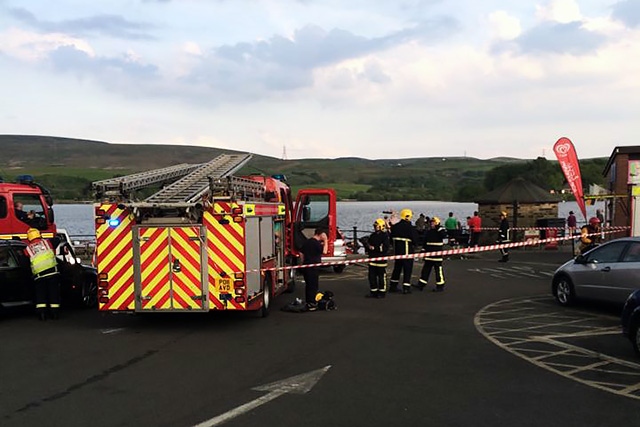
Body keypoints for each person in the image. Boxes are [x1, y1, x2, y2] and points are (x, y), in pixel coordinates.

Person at [25, 228, 61, 321]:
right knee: (53, 294)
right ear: (39, 235)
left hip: (39, 276)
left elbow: (25, 260)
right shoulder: (47, 243)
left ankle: (42, 315)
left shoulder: (28, 249)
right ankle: (55, 314)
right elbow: (57, 240)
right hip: (52, 273)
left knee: (41, 296)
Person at [414, 216, 448, 292]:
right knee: (425, 270)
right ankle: (421, 284)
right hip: (429, 254)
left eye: (434, 222)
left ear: (437, 223)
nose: (432, 224)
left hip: (437, 255)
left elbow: (444, 236)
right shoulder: (429, 232)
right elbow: (425, 242)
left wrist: (439, 228)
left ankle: (440, 286)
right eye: (431, 222)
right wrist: (423, 250)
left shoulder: (440, 230)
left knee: (438, 271)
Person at [389, 208, 419, 294]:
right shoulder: (410, 228)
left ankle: (393, 286)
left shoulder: (395, 227)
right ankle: (406, 287)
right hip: (407, 252)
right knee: (407, 269)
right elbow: (415, 240)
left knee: (397, 268)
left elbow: (391, 239)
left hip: (397, 252)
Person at [300, 228, 328, 311]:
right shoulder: (316, 243)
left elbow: (301, 252)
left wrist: (303, 261)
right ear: (321, 234)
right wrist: (325, 241)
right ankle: (312, 303)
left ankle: (309, 302)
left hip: (306, 266)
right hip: (313, 267)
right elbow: (325, 251)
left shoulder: (307, 241)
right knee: (313, 285)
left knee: (308, 285)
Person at [365, 218, 390, 298]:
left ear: (381, 226)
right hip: (372, 259)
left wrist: (374, 248)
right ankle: (373, 291)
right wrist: (367, 245)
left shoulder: (385, 236)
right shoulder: (372, 235)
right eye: (375, 226)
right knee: (371, 277)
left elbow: (385, 248)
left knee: (382, 277)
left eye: (376, 226)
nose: (375, 227)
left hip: (381, 260)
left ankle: (382, 292)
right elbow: (369, 246)